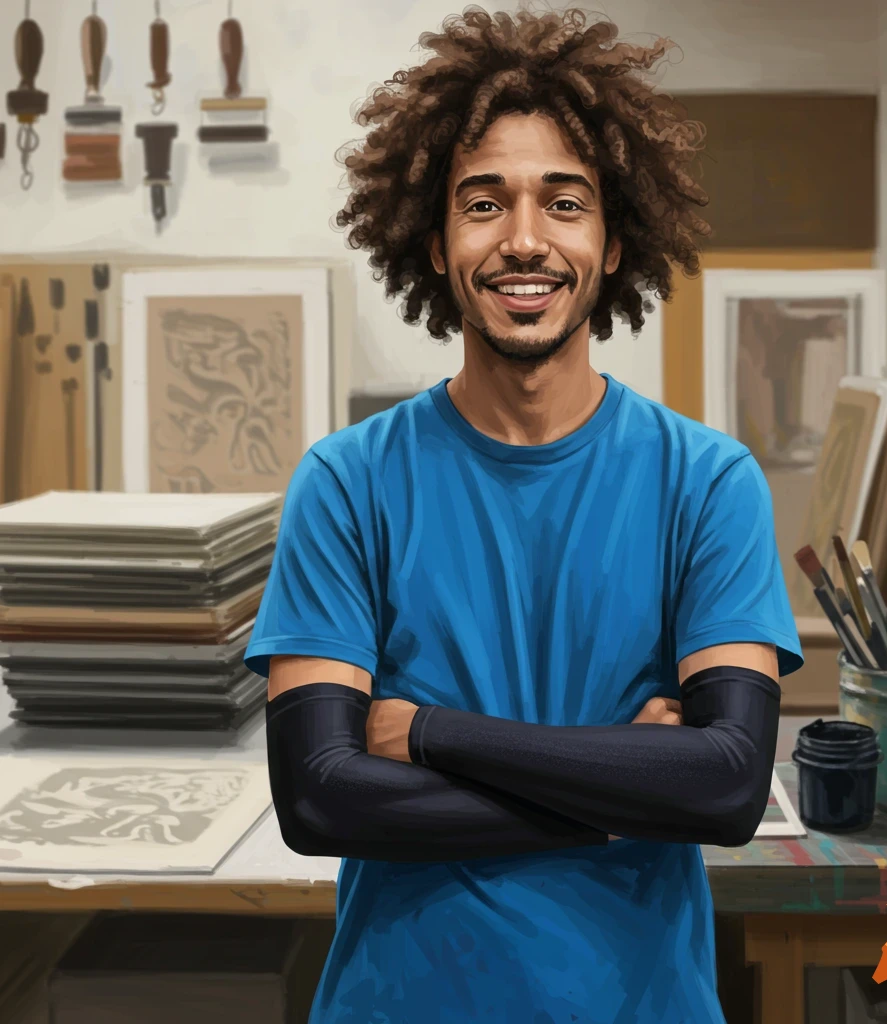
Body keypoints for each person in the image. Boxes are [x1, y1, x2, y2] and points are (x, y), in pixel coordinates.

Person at [244, 7, 803, 1022]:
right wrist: (619, 792)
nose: (525, 240)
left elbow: (724, 786)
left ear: (614, 241)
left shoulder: (707, 482)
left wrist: (427, 732)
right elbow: (320, 798)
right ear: (434, 241)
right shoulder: (347, 483)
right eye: (483, 203)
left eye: (565, 202)